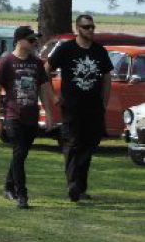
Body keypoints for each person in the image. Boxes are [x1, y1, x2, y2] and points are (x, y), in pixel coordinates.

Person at [46, 14, 113, 203]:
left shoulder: (99, 51)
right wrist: (53, 96)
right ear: (78, 29)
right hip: (72, 108)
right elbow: (46, 69)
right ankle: (73, 186)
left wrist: (104, 103)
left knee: (89, 146)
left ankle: (80, 187)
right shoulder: (66, 49)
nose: (90, 30)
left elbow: (107, 78)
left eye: (92, 26)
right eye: (86, 27)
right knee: (73, 144)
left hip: (93, 108)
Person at [0, 26, 55, 209]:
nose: (35, 43)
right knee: (19, 153)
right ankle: (22, 195)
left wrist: (49, 114)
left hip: (31, 116)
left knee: (21, 155)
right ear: (19, 41)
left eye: (35, 40)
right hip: (13, 115)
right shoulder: (7, 62)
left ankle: (8, 186)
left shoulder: (37, 63)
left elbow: (43, 89)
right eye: (31, 40)